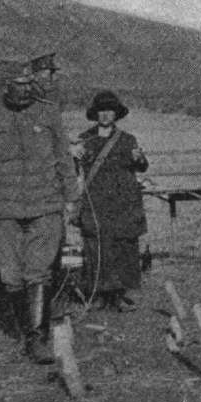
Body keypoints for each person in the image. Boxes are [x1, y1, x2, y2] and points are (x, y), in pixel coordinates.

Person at [0, 54, 80, 363]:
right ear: (5, 86)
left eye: (30, 82)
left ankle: (36, 339)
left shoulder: (48, 112)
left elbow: (64, 159)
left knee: (39, 272)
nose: (27, 88)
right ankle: (26, 331)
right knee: (12, 277)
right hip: (3, 210)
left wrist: (72, 198)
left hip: (45, 204)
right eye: (20, 83)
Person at [75, 90, 149, 312]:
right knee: (95, 246)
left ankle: (119, 295)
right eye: (101, 111)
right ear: (95, 114)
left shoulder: (127, 139)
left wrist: (140, 158)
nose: (106, 114)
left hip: (124, 202)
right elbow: (72, 170)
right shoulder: (84, 139)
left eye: (110, 110)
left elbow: (142, 167)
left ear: (116, 114)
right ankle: (98, 294)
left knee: (124, 247)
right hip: (96, 202)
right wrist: (73, 154)